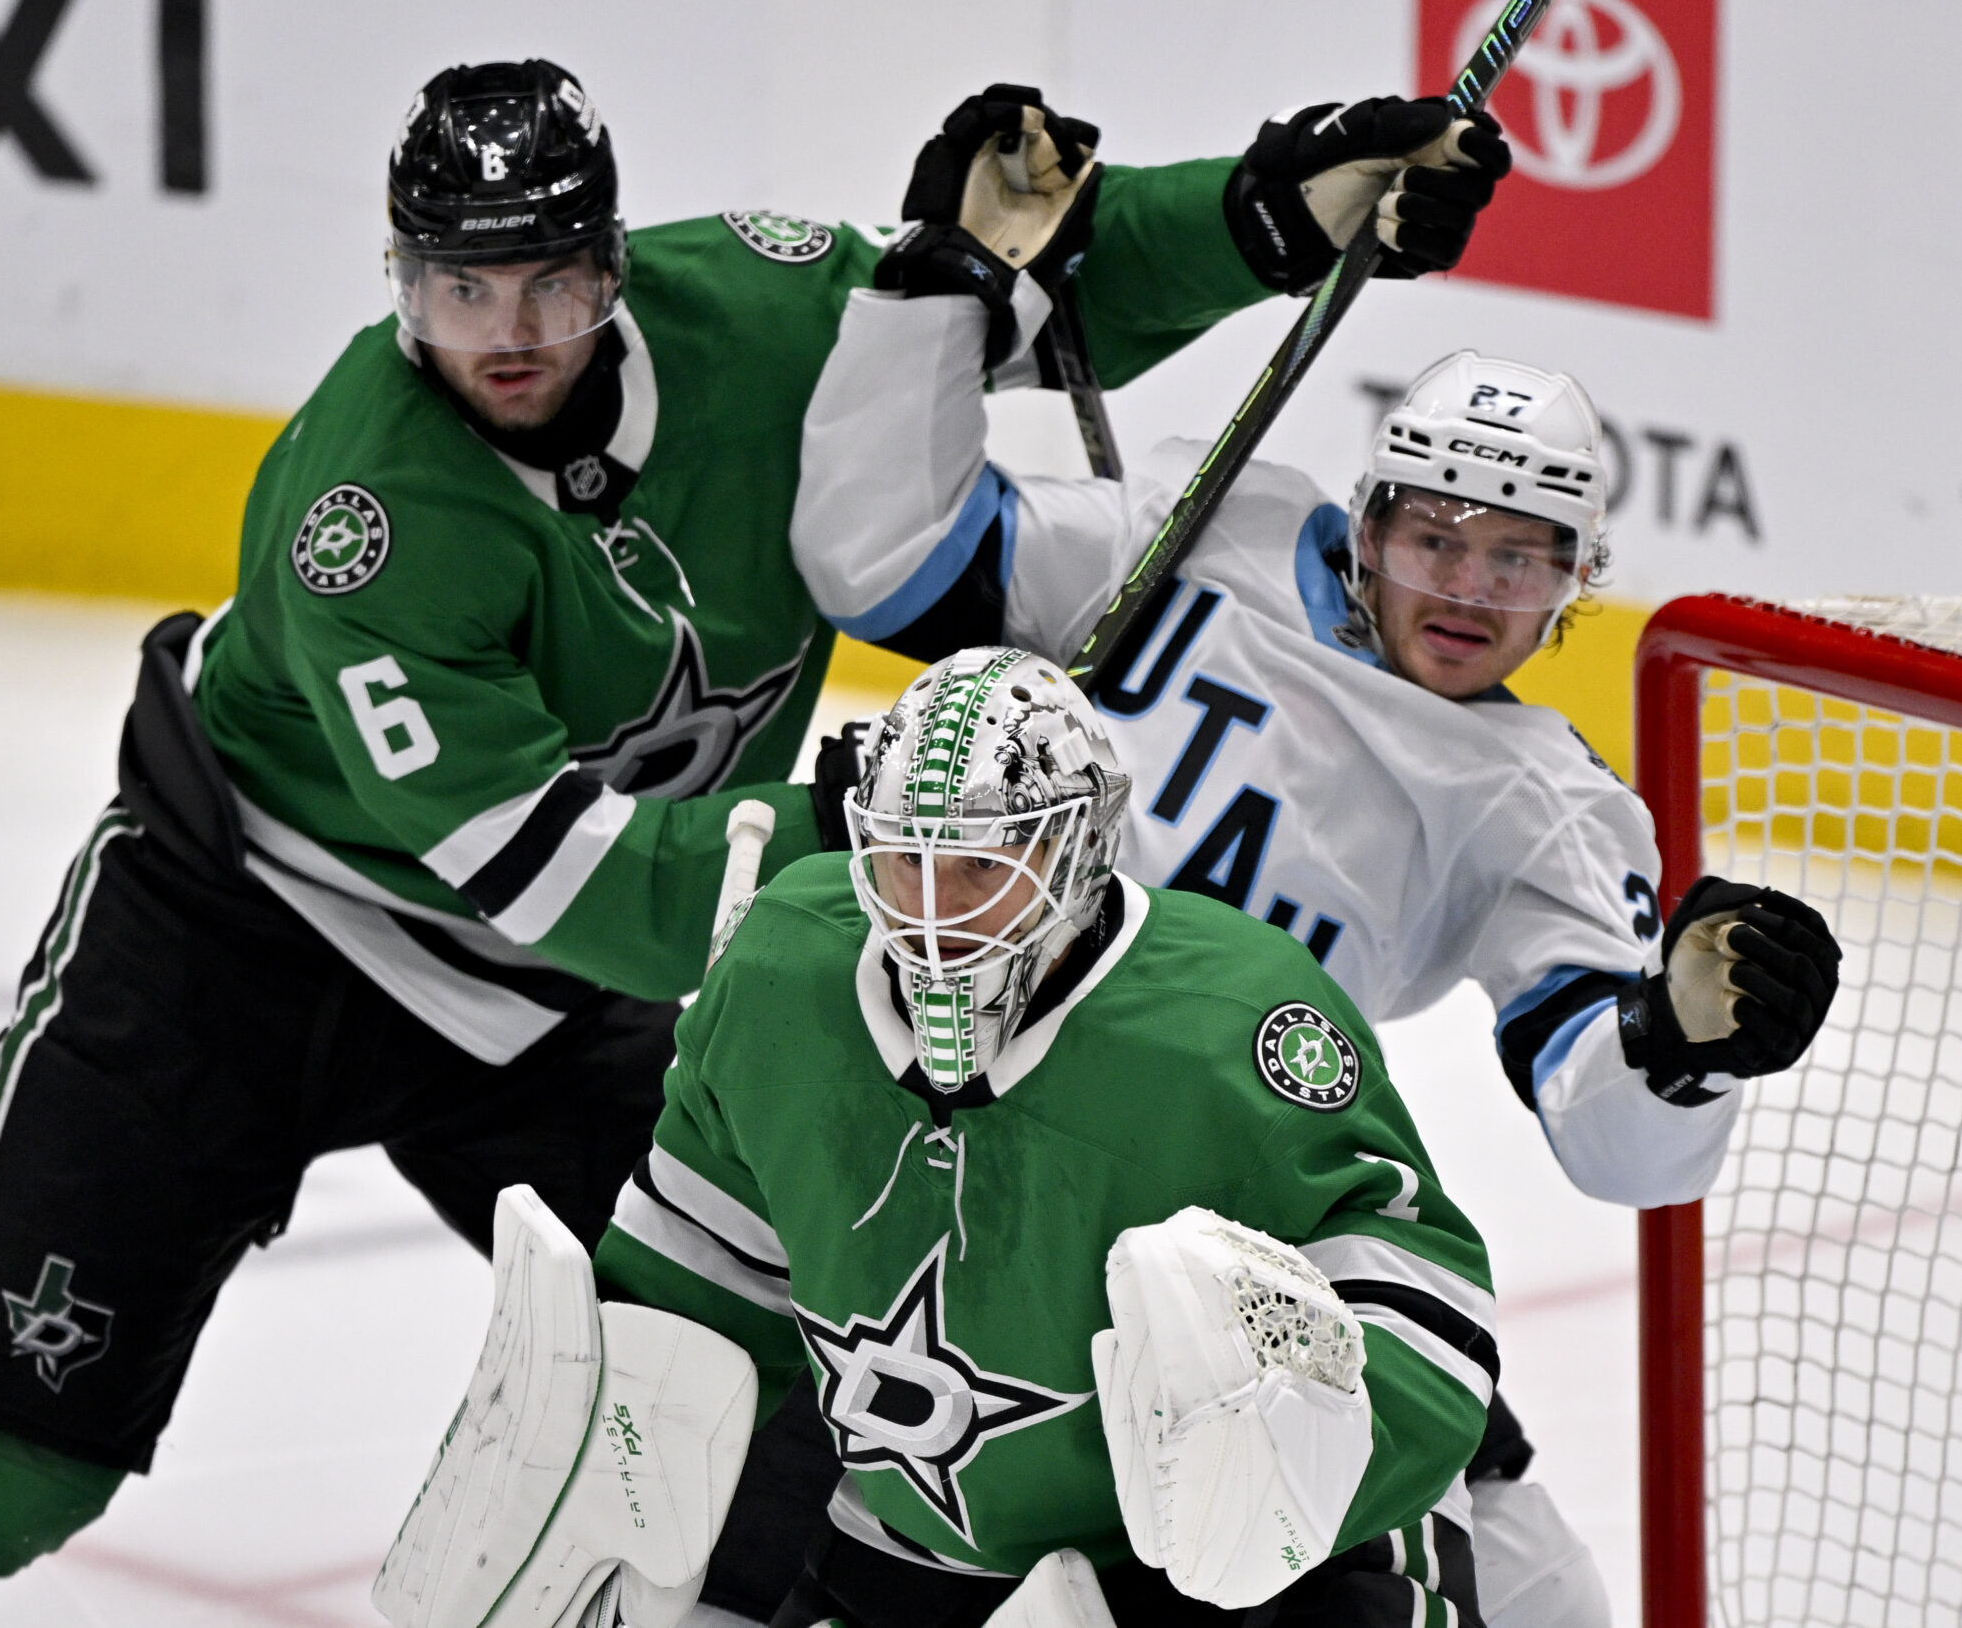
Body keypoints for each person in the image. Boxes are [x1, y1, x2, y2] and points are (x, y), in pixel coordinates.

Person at [0, 62, 1516, 1628]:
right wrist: (859, 828)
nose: (508, 334)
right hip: (235, 940)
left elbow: (1028, 296)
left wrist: (1283, 209)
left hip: (557, 1006)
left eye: (550, 283)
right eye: (461, 288)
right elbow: (573, 882)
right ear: (401, 284)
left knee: (828, 1412)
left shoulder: (766, 317)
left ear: (615, 268)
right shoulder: (363, 518)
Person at [788, 246, 1843, 1623]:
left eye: (1521, 560)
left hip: (1229, 1191)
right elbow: (881, 563)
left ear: (1580, 579)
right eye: (1436, 539)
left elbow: (1613, 1135)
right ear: (1367, 522)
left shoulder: (1542, 804)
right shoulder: (1202, 530)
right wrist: (939, 286)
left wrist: (1680, 1043)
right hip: (960, 1087)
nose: (1468, 590)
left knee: (1545, 1596)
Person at [379, 648, 1503, 1628]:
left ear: (1077, 855)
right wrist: (579, 1483)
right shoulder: (781, 972)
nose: (927, 909)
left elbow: (1425, 1290)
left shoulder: (1237, 1024)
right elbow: (696, 1279)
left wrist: (1291, 1477)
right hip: (921, 1540)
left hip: (1253, 1571)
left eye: (977, 866)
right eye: (901, 857)